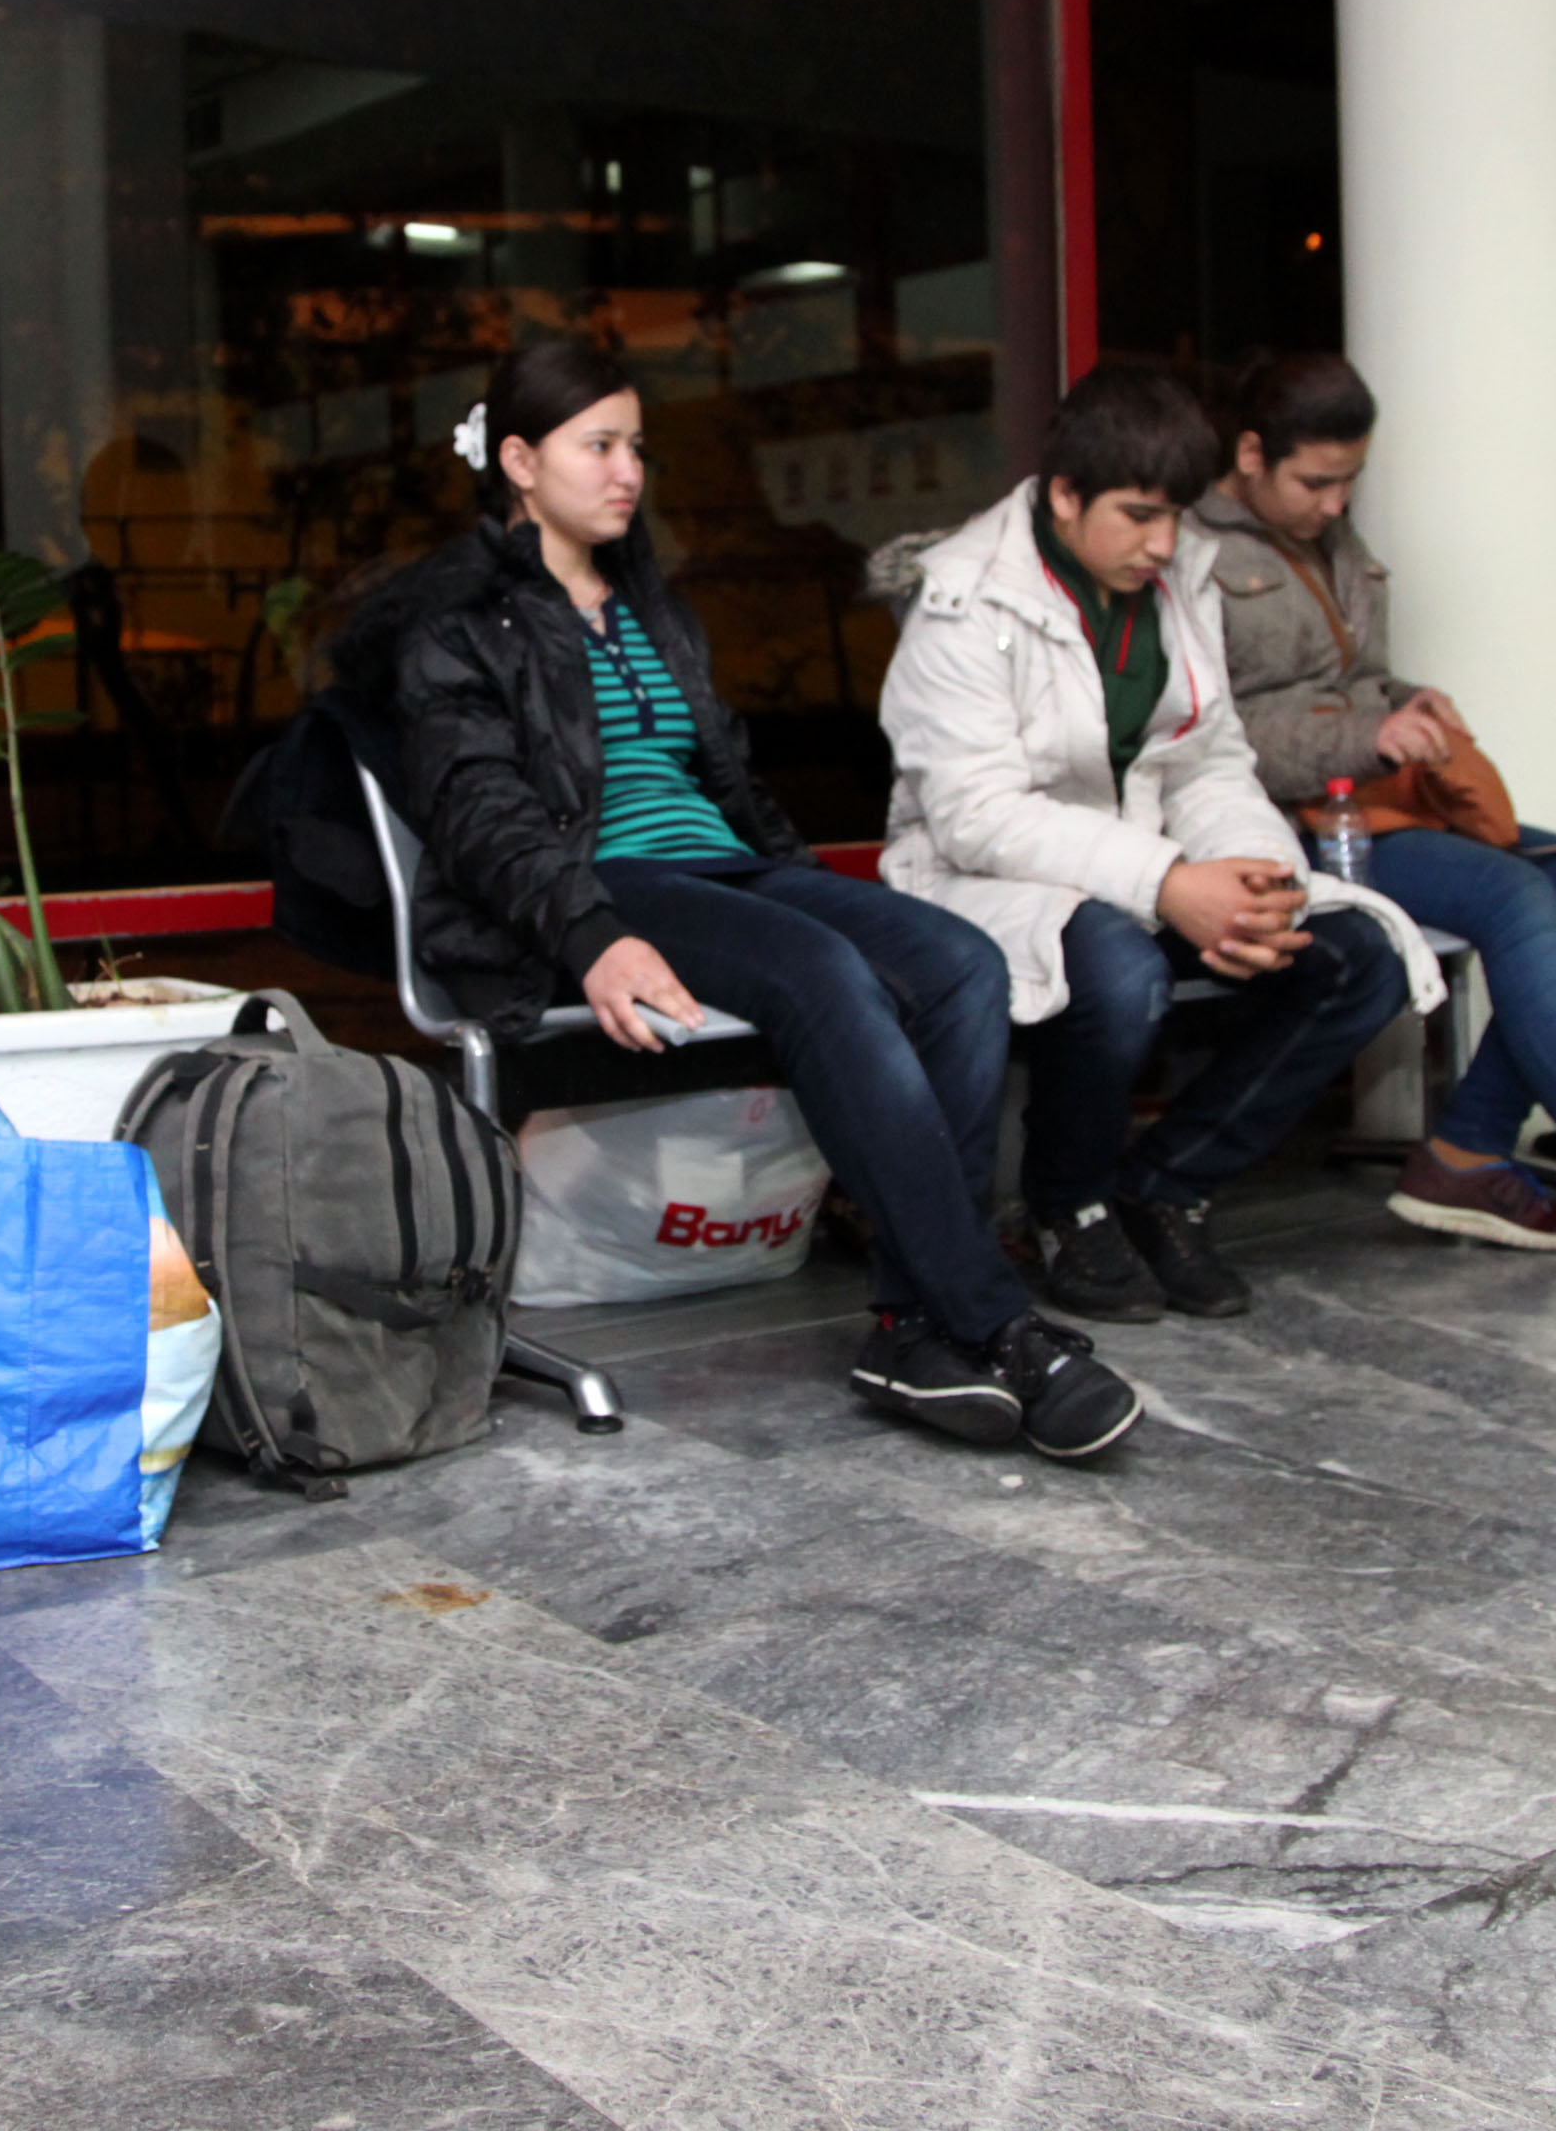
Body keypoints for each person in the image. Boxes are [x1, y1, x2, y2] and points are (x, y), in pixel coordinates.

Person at [325, 338, 1140, 1461]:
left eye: (636, 447)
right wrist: (591, 935)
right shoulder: (459, 620)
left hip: (722, 871)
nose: (628, 471)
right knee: (826, 976)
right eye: (598, 446)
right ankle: (992, 1322)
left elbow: (732, 786)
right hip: (598, 886)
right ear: (518, 461)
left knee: (960, 963)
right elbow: (479, 810)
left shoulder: (652, 609)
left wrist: (801, 882)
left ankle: (912, 1325)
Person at [1192, 350, 1556, 1307]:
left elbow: (1352, 679)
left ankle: (1469, 1145)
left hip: (1377, 802)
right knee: (1515, 894)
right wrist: (1369, 735)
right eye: (1316, 482)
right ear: (1251, 454)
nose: (1336, 504)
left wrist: (1407, 700)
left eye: (1350, 481)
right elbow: (1205, 730)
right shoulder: (1190, 554)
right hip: (1280, 822)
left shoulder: (1330, 539)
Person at [873, 365, 1424, 1325]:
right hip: (987, 879)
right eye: (1137, 515)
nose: (1163, 543)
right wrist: (1171, 883)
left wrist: (1256, 875)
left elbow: (1208, 761)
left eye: (1173, 514)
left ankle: (1166, 1184)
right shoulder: (963, 600)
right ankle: (1069, 1206)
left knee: (1355, 959)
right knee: (1121, 975)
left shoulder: (1178, 580)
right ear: (1065, 495)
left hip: (1145, 866)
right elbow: (978, 817)